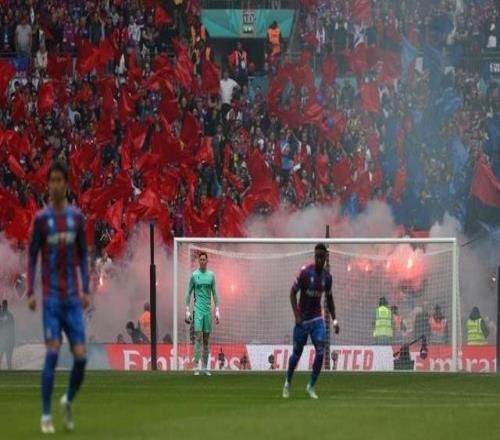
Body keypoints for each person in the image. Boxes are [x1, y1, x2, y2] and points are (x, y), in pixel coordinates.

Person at [27, 161, 90, 434]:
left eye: (59, 180)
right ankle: (45, 414)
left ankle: (67, 400)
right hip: (51, 299)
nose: (54, 185)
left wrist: (86, 288)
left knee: (81, 358)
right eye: (51, 180)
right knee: (52, 353)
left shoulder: (76, 218)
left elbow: (84, 255)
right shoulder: (42, 220)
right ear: (48, 184)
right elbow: (32, 256)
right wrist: (31, 291)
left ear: (66, 183)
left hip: (73, 299)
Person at [283, 243, 339, 399]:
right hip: (302, 320)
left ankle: (311, 386)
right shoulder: (305, 272)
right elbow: (292, 293)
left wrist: (335, 320)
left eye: (322, 257)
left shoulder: (327, 278)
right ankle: (287, 382)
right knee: (297, 354)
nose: (319, 259)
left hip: (316, 319)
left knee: (321, 350)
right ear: (314, 257)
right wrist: (297, 316)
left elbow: (329, 298)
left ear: (325, 257)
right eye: (317, 256)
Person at [185, 251, 220, 375]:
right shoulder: (194, 275)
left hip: (207, 311)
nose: (202, 261)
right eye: (201, 259)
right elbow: (188, 292)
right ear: (198, 261)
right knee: (198, 337)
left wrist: (217, 310)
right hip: (198, 310)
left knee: (206, 340)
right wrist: (187, 310)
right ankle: (196, 367)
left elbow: (215, 293)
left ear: (207, 261)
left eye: (204, 259)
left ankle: (205, 367)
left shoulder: (211, 275)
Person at [0, 300, 15, 369]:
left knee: (9, 360)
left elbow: (12, 329)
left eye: (6, 305)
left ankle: (10, 372)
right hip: (1, 340)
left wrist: (12, 340)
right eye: (4, 305)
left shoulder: (10, 315)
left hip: (8, 341)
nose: (5, 306)